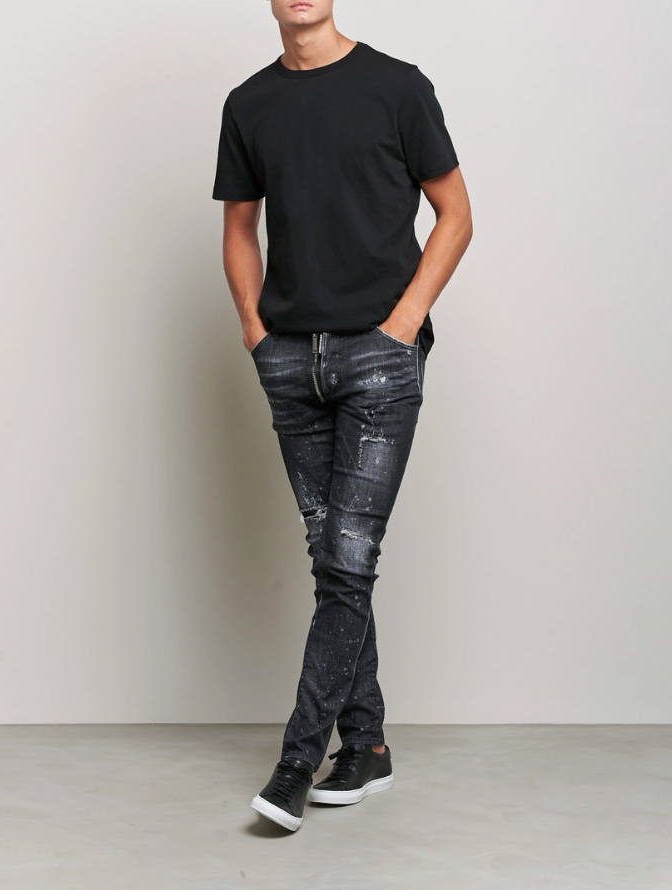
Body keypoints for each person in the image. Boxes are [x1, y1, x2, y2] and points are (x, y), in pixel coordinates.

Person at [212, 0, 473, 832]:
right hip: (290, 359)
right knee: (335, 559)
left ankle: (297, 761)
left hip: (378, 358)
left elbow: (456, 214)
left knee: (348, 560)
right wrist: (256, 331)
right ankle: (367, 744)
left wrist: (403, 324)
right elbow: (240, 227)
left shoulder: (397, 87)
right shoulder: (249, 103)